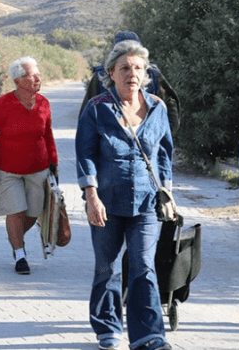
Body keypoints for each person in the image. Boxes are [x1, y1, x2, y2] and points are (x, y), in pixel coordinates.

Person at [76, 40, 174, 350]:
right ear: (111, 73)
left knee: (144, 265)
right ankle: (108, 327)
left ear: (145, 73)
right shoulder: (96, 109)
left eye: (138, 68)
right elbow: (85, 153)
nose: (132, 73)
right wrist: (91, 195)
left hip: (145, 200)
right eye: (125, 68)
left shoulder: (158, 107)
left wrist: (167, 192)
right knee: (108, 266)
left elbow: (164, 154)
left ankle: (149, 335)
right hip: (106, 200)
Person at [0, 56, 58, 275]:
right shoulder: (2, 104)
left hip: (38, 168)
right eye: (31, 75)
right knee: (15, 210)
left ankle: (14, 236)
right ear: (17, 80)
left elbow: (48, 134)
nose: (37, 78)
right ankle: (20, 254)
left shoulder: (43, 103)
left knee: (33, 213)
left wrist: (54, 163)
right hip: (7, 170)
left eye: (38, 74)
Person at [80, 30, 181, 136]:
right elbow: (87, 113)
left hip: (147, 143)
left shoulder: (153, 74)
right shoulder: (100, 76)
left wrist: (165, 134)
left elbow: (170, 102)